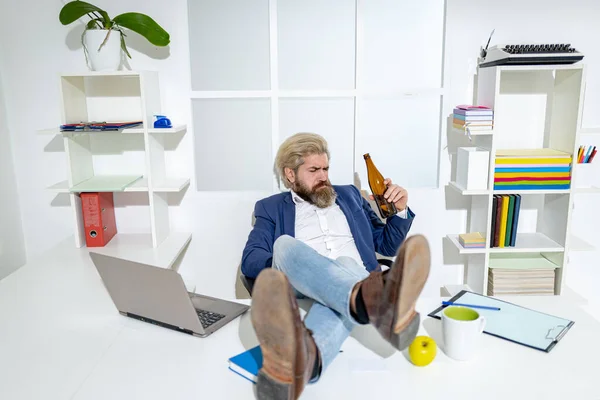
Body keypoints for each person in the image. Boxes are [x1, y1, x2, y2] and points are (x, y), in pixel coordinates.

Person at [241, 132, 431, 399]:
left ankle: (301, 365)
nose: (323, 176)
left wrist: (399, 211)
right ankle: (374, 300)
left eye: (326, 168)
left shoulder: (350, 195)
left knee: (345, 263)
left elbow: (386, 246)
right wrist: (298, 266)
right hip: (305, 285)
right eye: (314, 170)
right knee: (283, 244)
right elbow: (250, 260)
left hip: (354, 278)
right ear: (291, 175)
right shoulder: (271, 208)